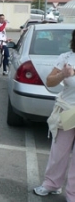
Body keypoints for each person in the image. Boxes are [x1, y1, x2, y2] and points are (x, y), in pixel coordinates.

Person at [34, 30, 75, 201]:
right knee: (59, 151)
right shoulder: (66, 58)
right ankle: (51, 184)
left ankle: (73, 194)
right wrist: (62, 75)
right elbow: (50, 81)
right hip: (68, 111)